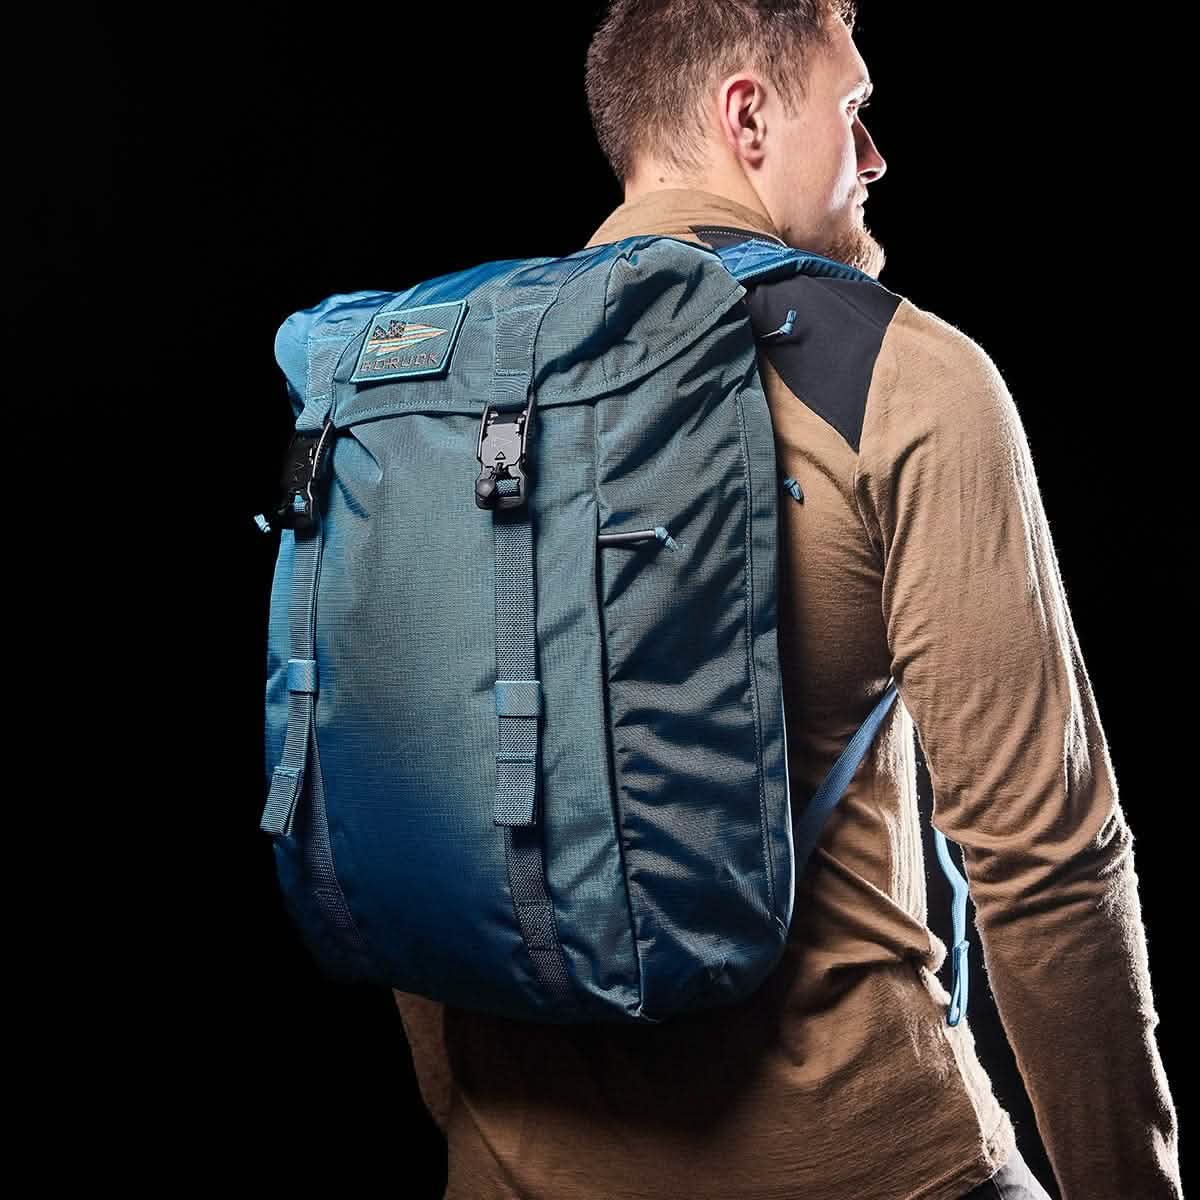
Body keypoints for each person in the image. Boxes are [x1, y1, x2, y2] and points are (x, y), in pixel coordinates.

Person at [392, 3, 1182, 1197]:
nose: (874, 158)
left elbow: (401, 784)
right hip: (861, 1160)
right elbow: (1047, 866)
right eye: (855, 112)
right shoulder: (904, 377)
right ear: (747, 116)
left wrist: (476, 1128)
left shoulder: (448, 388)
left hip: (511, 1158)